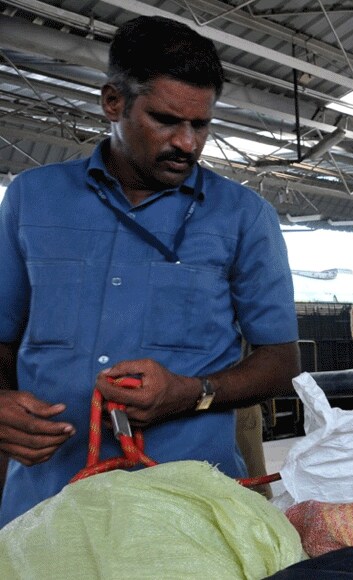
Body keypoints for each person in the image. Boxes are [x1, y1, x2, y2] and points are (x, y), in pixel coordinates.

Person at [0, 16, 300, 526]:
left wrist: (193, 393)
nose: (187, 143)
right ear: (113, 102)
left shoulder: (243, 216)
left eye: (201, 125)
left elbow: (279, 358)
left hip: (186, 504)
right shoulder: (32, 199)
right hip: (46, 500)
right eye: (166, 120)